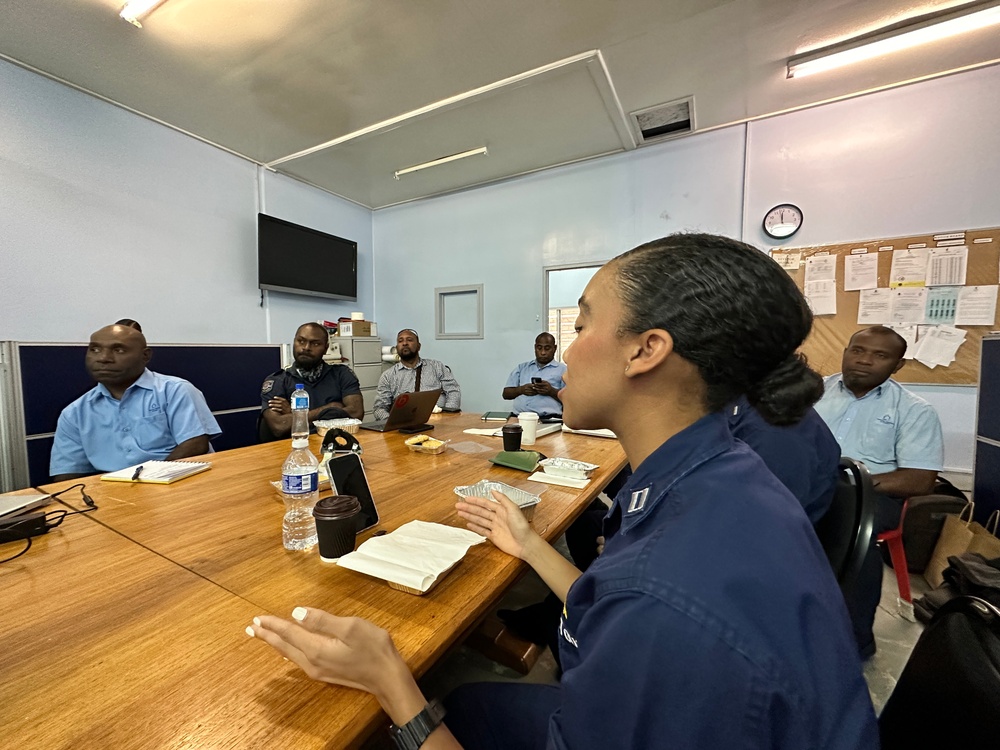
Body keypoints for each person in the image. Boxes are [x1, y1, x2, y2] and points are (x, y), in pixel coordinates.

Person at [246, 234, 878, 750]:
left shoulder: (665, 600)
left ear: (646, 350)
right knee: (467, 699)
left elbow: (641, 603)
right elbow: (612, 599)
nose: (564, 355)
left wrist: (393, 683)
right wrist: (528, 543)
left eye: (581, 326)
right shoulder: (721, 471)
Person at [815, 324, 944, 658]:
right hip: (809, 482)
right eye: (857, 350)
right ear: (845, 353)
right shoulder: (812, 393)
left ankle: (853, 642)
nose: (865, 360)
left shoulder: (914, 410)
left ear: (897, 365)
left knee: (851, 536)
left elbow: (919, 479)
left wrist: (849, 484)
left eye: (880, 355)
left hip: (871, 493)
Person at [50, 323, 221, 481]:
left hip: (180, 483)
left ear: (145, 356)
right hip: (114, 493)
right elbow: (67, 472)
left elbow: (195, 444)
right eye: (94, 349)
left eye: (119, 350)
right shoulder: (74, 413)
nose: (103, 358)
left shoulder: (174, 390)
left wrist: (151, 483)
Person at [261, 323, 364, 437]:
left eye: (315, 343)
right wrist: (331, 407)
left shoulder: (341, 374)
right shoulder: (278, 381)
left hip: (336, 442)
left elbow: (356, 413)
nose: (306, 347)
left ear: (325, 348)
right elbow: (279, 426)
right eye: (301, 341)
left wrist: (296, 415)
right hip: (295, 446)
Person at [373, 329, 461, 420]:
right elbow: (379, 408)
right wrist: (391, 422)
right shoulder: (388, 376)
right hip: (404, 424)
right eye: (400, 341)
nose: (404, 343)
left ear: (419, 346)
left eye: (409, 340)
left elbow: (453, 391)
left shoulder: (436, 367)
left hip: (439, 422)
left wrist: (448, 416)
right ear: (397, 347)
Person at [501, 332, 566, 418]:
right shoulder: (522, 368)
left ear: (555, 348)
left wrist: (551, 391)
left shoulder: (563, 370)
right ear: (535, 348)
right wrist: (521, 390)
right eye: (539, 348)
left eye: (547, 348)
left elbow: (571, 401)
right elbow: (506, 394)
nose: (543, 352)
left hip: (549, 419)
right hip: (519, 418)